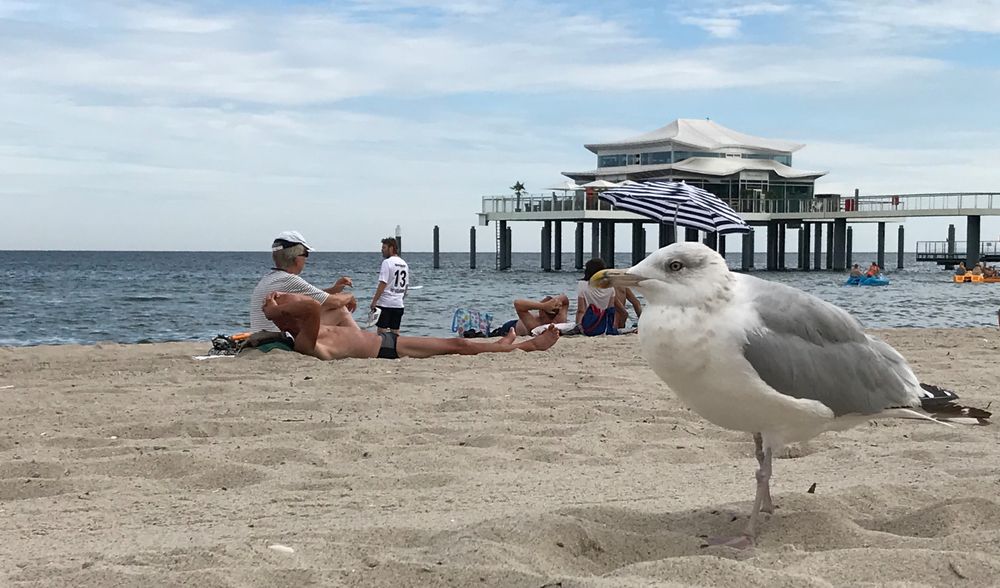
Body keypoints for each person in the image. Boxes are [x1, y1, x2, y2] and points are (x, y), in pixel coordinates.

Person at [263, 292, 559, 360]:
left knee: (455, 345)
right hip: (389, 351)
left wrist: (278, 309)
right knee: (456, 345)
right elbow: (312, 307)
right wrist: (275, 309)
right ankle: (527, 346)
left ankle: (496, 348)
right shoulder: (307, 341)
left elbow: (321, 306)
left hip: (390, 343)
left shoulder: (315, 330)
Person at [250, 231, 356, 332]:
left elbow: (311, 296)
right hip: (278, 336)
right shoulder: (289, 280)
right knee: (340, 311)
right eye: (305, 254)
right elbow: (335, 302)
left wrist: (334, 289)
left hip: (262, 333)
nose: (306, 259)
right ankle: (367, 348)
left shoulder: (270, 278)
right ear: (296, 258)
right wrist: (349, 296)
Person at [370, 237, 409, 334]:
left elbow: (383, 283)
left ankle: (382, 349)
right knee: (395, 333)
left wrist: (374, 301)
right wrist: (400, 298)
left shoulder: (387, 262)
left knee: (381, 333)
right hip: (398, 304)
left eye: (384, 248)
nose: (381, 250)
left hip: (385, 304)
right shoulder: (404, 264)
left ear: (391, 248)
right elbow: (406, 286)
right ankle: (395, 349)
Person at [576, 258, 623, 336]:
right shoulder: (610, 287)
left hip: (588, 326)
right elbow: (610, 310)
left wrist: (579, 326)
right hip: (604, 327)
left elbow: (581, 311)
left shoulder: (582, 284)